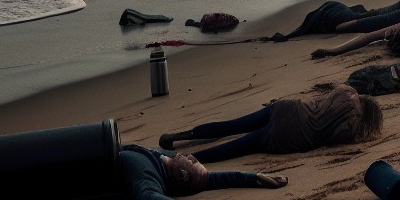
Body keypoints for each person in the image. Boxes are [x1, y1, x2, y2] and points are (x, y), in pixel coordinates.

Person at [157, 85, 383, 161]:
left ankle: (182, 136)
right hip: (292, 137)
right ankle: (181, 159)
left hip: (288, 108)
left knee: (233, 125)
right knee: (235, 148)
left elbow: (327, 95)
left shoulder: (347, 91)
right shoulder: (352, 128)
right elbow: (332, 139)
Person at [116, 143, 285, 200]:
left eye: (192, 161)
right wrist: (254, 177)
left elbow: (150, 198)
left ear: (182, 174)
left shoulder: (146, 172)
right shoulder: (166, 161)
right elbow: (217, 179)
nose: (188, 156)